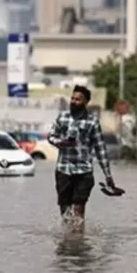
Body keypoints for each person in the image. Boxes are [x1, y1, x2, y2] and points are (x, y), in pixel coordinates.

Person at [48, 85, 115, 228]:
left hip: (83, 171)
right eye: (72, 98)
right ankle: (66, 244)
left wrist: (107, 175)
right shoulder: (62, 117)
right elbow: (51, 136)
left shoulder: (92, 121)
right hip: (63, 169)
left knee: (78, 211)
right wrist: (60, 143)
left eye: (77, 99)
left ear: (85, 102)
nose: (73, 101)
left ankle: (78, 246)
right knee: (65, 211)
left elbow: (100, 148)